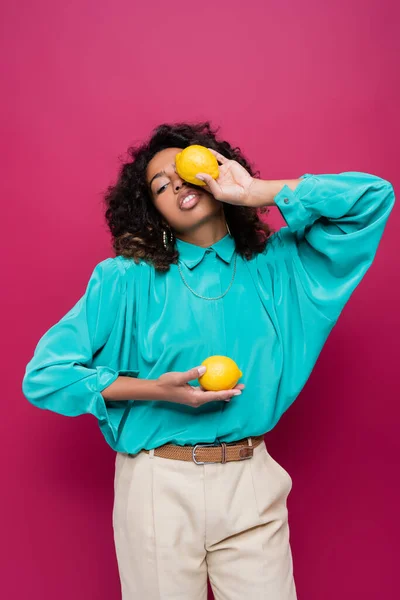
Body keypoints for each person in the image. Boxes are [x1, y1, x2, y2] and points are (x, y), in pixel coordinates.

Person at [22, 122, 395, 599]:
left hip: (250, 481)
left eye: (184, 169)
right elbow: (45, 376)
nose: (177, 183)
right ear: (152, 211)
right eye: (160, 185)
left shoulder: (279, 267)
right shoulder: (125, 281)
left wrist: (256, 191)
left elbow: (372, 199)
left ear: (215, 172)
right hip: (158, 485)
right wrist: (157, 390)